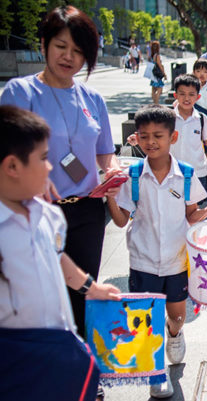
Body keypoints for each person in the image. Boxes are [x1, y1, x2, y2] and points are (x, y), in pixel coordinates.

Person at [0, 5, 122, 342]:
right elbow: (8, 153)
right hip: (35, 212)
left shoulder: (92, 98)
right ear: (43, 44)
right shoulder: (20, 92)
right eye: (61, 46)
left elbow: (103, 151)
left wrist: (111, 170)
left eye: (79, 50)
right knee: (43, 299)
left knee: (84, 296)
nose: (69, 57)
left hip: (87, 211)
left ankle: (83, 374)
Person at [0, 106, 121, 400]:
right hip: (18, 359)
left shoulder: (48, 214)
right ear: (12, 167)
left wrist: (92, 288)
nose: (52, 167)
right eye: (43, 158)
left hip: (60, 348)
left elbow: (58, 256)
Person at [106, 105, 207, 398]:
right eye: (144, 136)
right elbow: (121, 221)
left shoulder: (185, 174)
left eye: (158, 135)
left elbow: (190, 215)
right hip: (143, 261)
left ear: (173, 137)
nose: (150, 142)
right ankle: (156, 373)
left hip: (176, 261)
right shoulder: (132, 175)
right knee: (147, 320)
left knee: (177, 315)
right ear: (137, 138)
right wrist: (109, 196)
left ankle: (175, 334)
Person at [171, 74, 207, 203]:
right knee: (175, 204)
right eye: (182, 94)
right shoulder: (168, 118)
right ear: (175, 95)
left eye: (191, 94)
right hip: (173, 173)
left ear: (198, 97)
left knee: (195, 207)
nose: (186, 98)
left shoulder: (201, 119)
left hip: (197, 172)